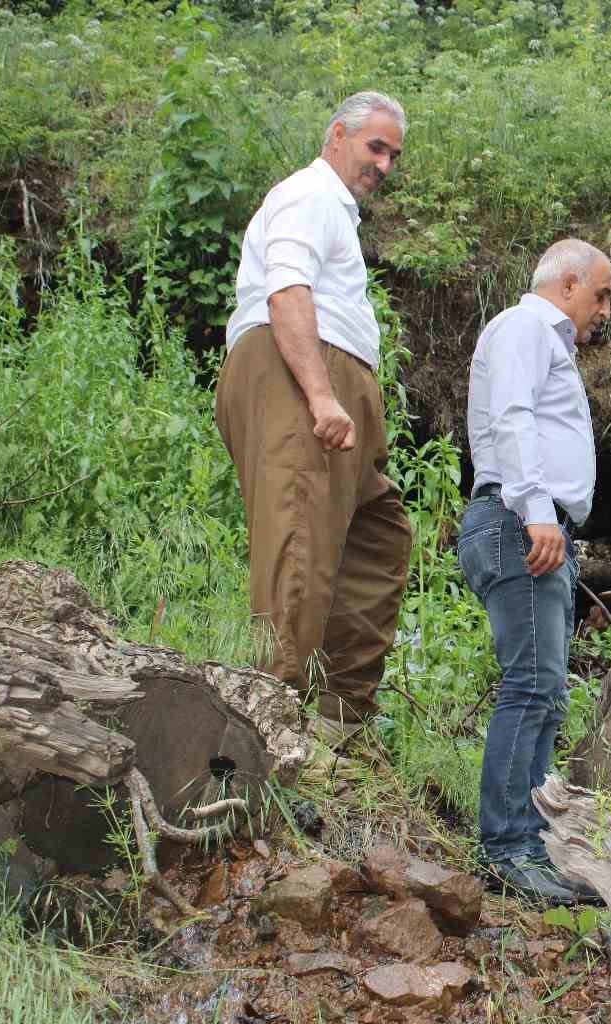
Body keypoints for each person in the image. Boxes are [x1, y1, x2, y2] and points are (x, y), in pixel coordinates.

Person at [216, 91, 413, 743]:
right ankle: (267, 728)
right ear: (337, 136)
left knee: (377, 538)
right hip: (298, 369)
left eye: (393, 154)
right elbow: (287, 287)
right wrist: (321, 393)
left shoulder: (335, 210)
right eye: (374, 146)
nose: (384, 163)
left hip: (337, 375)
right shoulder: (309, 192)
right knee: (298, 535)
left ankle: (334, 725)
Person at [459, 238, 611, 904]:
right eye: (602, 294)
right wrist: (539, 511)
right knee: (531, 686)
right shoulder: (525, 326)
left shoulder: (549, 342)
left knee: (547, 690)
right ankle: (508, 848)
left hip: (532, 521)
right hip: (519, 521)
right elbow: (513, 416)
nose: (606, 310)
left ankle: (536, 843)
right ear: (570, 282)